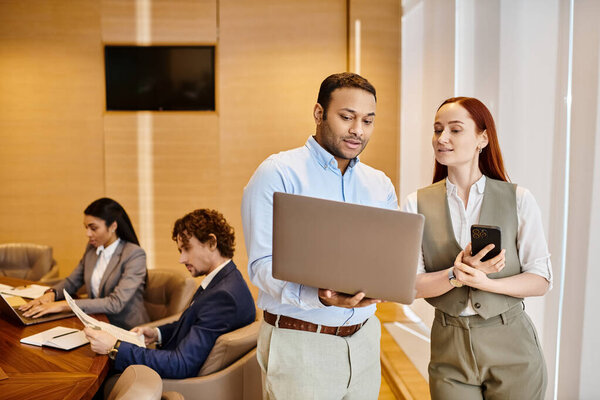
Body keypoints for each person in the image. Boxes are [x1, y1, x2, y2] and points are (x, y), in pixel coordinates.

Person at [241, 72, 398, 399]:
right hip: (301, 343)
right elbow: (261, 265)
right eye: (347, 117)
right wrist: (320, 296)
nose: (358, 130)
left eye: (368, 121)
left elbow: (390, 256)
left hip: (365, 341)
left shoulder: (379, 184)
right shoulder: (278, 172)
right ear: (318, 113)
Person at [401, 97, 552, 399]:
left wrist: (486, 283)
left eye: (455, 130)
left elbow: (541, 280)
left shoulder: (518, 199)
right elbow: (410, 286)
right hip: (449, 349)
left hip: (513, 346)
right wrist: (457, 274)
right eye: (437, 129)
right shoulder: (415, 203)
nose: (442, 139)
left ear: (482, 138)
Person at [84, 209, 256, 379]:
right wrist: (157, 333)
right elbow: (195, 323)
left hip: (178, 383)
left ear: (212, 243)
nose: (182, 259)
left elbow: (180, 364)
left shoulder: (223, 297)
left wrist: (115, 347)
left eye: (187, 249)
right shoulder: (225, 281)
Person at [20, 197, 150, 330]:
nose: (88, 233)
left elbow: (115, 303)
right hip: (95, 322)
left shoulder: (134, 254)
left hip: (127, 329)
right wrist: (52, 293)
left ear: (113, 226)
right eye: (86, 227)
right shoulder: (92, 248)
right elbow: (72, 281)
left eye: (93, 228)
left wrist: (66, 305)